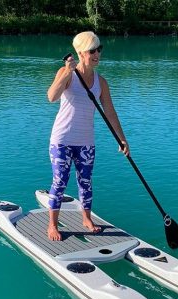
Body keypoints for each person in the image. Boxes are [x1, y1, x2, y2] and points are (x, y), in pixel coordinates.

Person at [47, 31, 130, 241]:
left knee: (86, 181)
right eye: (92, 50)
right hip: (62, 140)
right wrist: (67, 72)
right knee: (60, 181)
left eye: (99, 49)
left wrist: (121, 139)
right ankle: (52, 225)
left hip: (85, 142)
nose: (97, 54)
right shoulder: (66, 73)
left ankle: (86, 218)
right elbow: (51, 97)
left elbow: (110, 111)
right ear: (81, 52)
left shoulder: (101, 82)